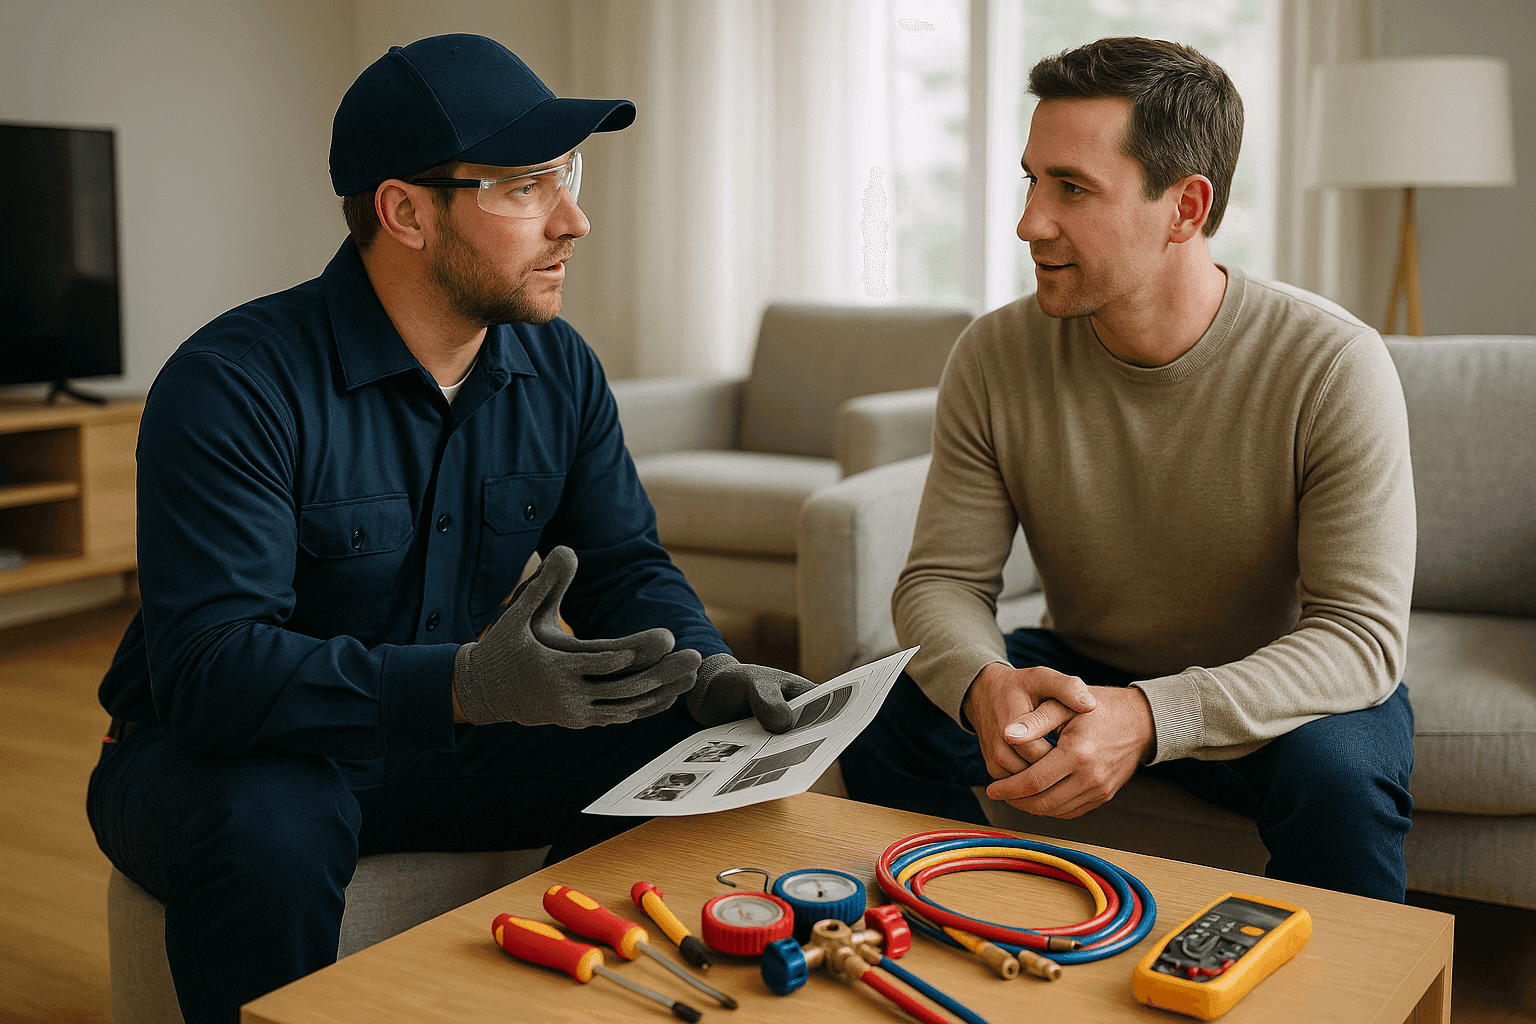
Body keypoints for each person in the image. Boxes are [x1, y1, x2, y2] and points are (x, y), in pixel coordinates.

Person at [86, 34, 814, 1024]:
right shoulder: (233, 385)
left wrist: (708, 671)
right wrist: (464, 684)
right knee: (272, 824)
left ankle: (556, 1005)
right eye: (524, 187)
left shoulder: (559, 369)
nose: (574, 220)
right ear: (406, 213)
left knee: (696, 748)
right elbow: (213, 675)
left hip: (443, 742)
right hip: (219, 754)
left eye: (568, 176)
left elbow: (624, 563)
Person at [841, 36, 1417, 902]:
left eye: (1071, 188)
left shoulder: (1333, 363)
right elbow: (942, 581)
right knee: (881, 707)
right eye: (1032, 181)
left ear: (1185, 207)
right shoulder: (994, 354)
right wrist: (985, 684)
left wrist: (1149, 715)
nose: (1030, 222)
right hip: (1086, 669)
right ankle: (963, 924)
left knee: (1339, 779)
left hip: (1273, 687)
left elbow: (1359, 638)